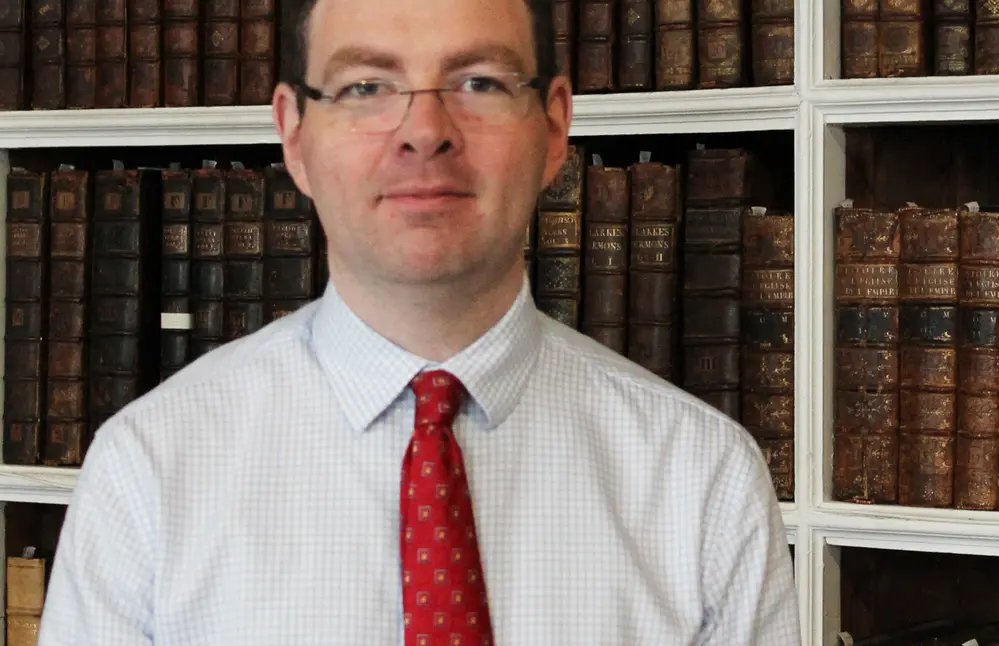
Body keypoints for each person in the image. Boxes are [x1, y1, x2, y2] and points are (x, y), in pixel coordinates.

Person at [37, 0, 801, 643]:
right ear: (294, 136)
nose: (424, 130)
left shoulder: (704, 483)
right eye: (367, 85)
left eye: (479, 81)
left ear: (555, 127)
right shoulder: (147, 473)